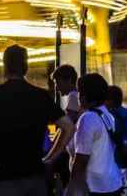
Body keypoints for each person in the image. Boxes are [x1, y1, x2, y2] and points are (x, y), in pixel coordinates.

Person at [0, 45, 75, 196]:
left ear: (5, 67)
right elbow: (68, 127)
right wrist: (50, 159)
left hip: (1, 179)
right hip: (35, 178)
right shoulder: (41, 96)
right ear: (26, 67)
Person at [67, 73, 123, 196]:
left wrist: (71, 187)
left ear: (84, 96)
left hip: (94, 187)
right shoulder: (106, 115)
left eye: (80, 92)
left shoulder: (88, 118)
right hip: (111, 183)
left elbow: (81, 160)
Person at [51, 64, 80, 192]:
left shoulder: (73, 97)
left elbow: (67, 127)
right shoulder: (75, 96)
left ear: (68, 80)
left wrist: (53, 150)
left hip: (71, 152)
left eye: (58, 82)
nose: (56, 87)